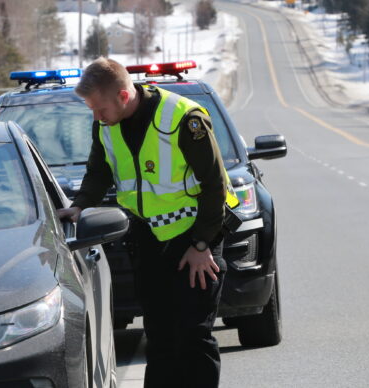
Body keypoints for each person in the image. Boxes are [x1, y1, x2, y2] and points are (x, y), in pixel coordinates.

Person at [58, 57, 238, 388]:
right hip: (149, 238)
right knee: (159, 336)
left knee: (193, 335)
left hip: (194, 237)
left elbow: (215, 185)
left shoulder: (183, 118)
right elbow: (99, 170)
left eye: (100, 109)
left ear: (123, 96)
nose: (96, 117)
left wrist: (202, 245)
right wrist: (80, 205)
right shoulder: (105, 125)